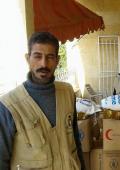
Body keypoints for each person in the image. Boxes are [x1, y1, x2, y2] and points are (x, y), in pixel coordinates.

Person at [0, 32, 85, 170]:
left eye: (50, 57)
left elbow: (76, 142)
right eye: (37, 56)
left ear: (57, 60)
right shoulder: (8, 106)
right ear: (28, 58)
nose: (44, 64)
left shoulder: (67, 92)